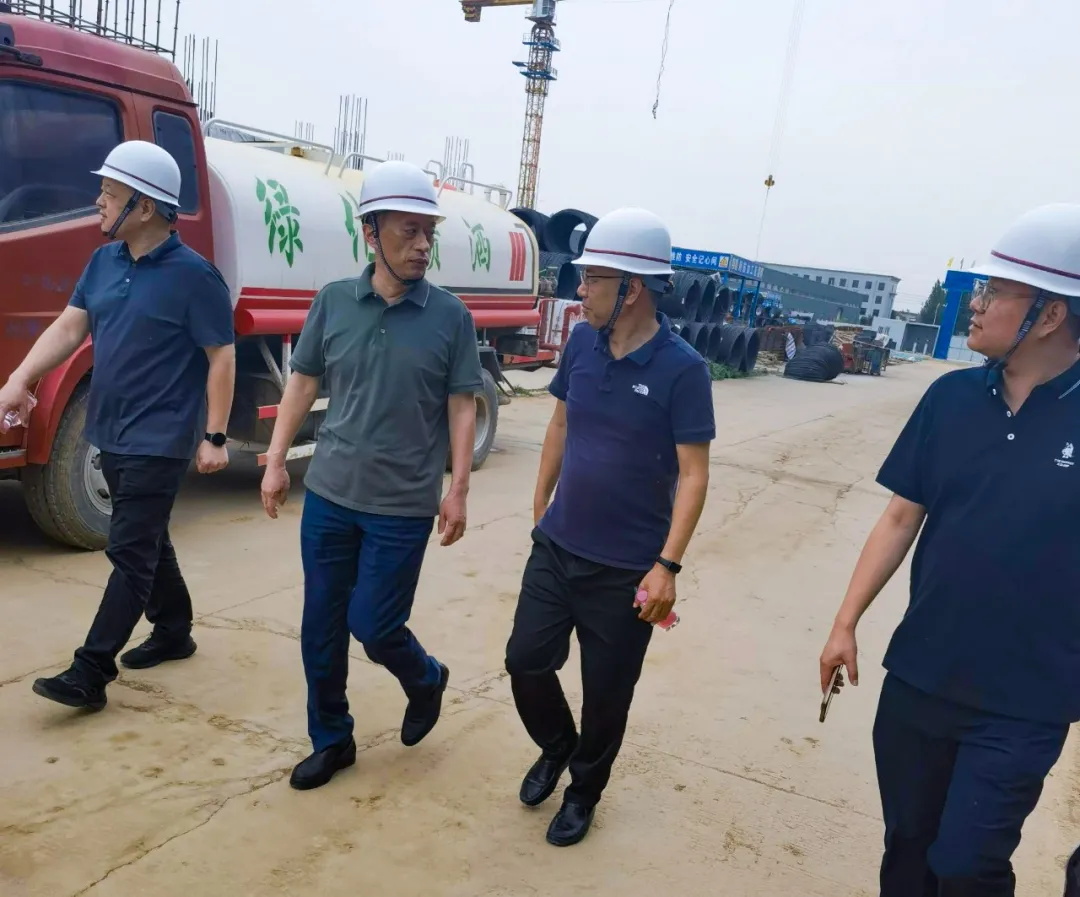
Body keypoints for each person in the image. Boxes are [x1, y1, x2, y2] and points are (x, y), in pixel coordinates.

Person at [818, 203, 1080, 897]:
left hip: (1026, 699)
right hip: (922, 675)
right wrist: (845, 622)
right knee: (907, 846)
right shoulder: (950, 397)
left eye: (995, 291)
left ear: (1050, 314)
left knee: (967, 865)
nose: (977, 303)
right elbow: (901, 515)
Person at [260, 160, 483, 792]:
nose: (422, 245)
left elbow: (461, 404)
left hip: (403, 504)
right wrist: (275, 461)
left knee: (375, 626)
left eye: (429, 232)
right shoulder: (334, 301)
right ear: (370, 232)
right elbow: (303, 382)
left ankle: (425, 678)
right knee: (321, 627)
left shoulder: (450, 317)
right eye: (409, 231)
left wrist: (458, 489)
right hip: (330, 494)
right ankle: (332, 739)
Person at [504, 207, 715, 846]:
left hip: (627, 570)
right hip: (558, 545)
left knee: (607, 695)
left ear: (634, 288)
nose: (581, 289)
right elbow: (560, 423)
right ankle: (556, 744)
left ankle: (583, 792)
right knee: (525, 660)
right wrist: (540, 505)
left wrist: (667, 566)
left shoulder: (683, 370)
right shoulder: (580, 344)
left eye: (594, 279)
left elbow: (694, 475)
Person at [0, 140, 236, 711]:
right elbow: (69, 327)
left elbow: (221, 356)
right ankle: (174, 630)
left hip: (161, 437)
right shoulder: (103, 262)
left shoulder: (195, 277)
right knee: (147, 537)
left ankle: (91, 671)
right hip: (108, 429)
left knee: (129, 551)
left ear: (146, 206)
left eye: (110, 193)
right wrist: (20, 379)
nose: (98, 202)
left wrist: (215, 436)